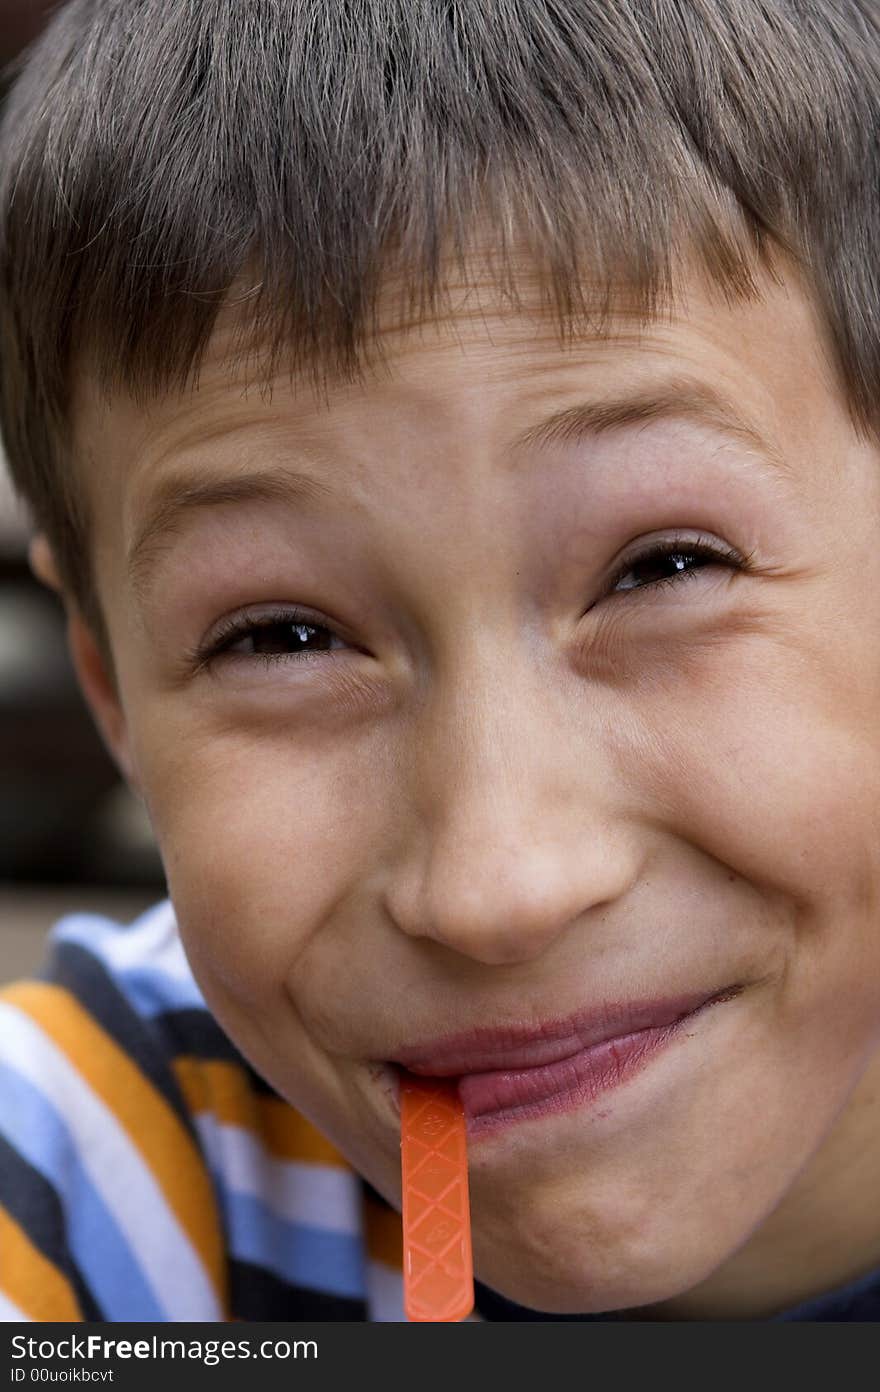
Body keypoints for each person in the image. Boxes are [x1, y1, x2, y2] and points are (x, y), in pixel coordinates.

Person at [1, 0, 879, 1323]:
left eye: (663, 569)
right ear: (114, 691)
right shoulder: (101, 1159)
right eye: (281, 639)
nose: (495, 888)